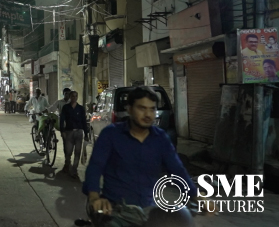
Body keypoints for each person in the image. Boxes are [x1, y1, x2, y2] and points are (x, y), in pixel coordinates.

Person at [83, 87, 197, 226]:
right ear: (129, 109)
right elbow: (95, 167)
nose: (148, 114)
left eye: (152, 109)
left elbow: (177, 170)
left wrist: (197, 196)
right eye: (142, 108)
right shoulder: (111, 135)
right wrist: (94, 197)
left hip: (148, 210)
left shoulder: (160, 138)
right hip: (115, 211)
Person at [59, 91, 89, 178]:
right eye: (72, 96)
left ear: (77, 97)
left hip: (79, 132)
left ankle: (74, 170)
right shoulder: (66, 108)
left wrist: (86, 134)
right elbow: (62, 120)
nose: (74, 98)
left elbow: (84, 121)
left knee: (77, 152)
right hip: (69, 132)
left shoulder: (80, 108)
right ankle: (67, 164)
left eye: (76, 96)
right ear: (70, 97)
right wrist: (62, 131)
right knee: (68, 151)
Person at [48, 88, 72, 171]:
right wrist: (45, 111)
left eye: (69, 94)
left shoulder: (72, 102)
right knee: (66, 143)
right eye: (66, 93)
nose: (67, 95)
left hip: (72, 126)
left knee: (72, 144)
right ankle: (67, 161)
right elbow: (51, 108)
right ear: (63, 94)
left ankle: (69, 160)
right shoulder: (59, 102)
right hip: (64, 126)